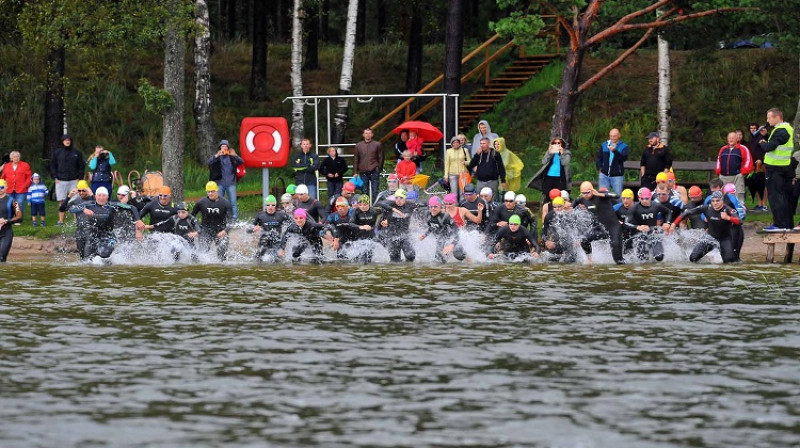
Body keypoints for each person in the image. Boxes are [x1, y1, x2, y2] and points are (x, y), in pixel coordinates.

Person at [671, 191, 740, 263]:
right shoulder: (707, 208)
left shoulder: (728, 210)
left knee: (729, 262)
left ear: (722, 200)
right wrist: (674, 224)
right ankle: (707, 260)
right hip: (710, 238)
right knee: (693, 258)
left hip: (724, 239)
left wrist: (728, 218)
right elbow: (687, 213)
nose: (715, 203)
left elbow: (739, 221)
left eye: (718, 201)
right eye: (713, 201)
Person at [760, 108, 795, 231]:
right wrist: (767, 136)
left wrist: (762, 143)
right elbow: (779, 144)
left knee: (775, 196)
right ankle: (787, 224)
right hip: (784, 167)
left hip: (775, 168)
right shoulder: (787, 129)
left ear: (776, 117)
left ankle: (779, 224)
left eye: (769, 117)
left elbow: (770, 147)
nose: (767, 120)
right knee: (784, 197)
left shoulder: (781, 131)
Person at [572, 181, 624, 264]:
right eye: (583, 193)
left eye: (588, 193)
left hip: (613, 227)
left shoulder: (601, 194)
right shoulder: (583, 199)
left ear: (592, 190)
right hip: (600, 229)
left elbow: (616, 195)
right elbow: (575, 201)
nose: (585, 195)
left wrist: (600, 195)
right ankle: (590, 260)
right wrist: (570, 207)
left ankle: (622, 268)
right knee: (584, 240)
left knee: (617, 258)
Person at [624, 187, 674, 262]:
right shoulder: (634, 208)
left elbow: (668, 212)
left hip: (653, 233)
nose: (644, 201)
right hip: (640, 235)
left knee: (659, 257)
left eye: (647, 198)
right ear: (639, 198)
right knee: (642, 259)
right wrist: (637, 227)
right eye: (642, 199)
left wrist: (667, 223)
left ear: (650, 197)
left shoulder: (656, 205)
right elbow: (626, 223)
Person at [68, 187, 117, 261]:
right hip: (93, 236)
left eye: (103, 196)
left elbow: (105, 217)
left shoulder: (111, 207)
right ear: (95, 196)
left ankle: (111, 261)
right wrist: (83, 209)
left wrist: (92, 215)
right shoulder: (89, 205)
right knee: (86, 260)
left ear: (107, 197)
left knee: (104, 255)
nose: (101, 198)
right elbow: (72, 208)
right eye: (99, 195)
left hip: (108, 237)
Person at [49, 134, 86, 226]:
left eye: (69, 139)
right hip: (60, 180)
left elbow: (81, 166)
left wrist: (79, 178)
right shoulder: (57, 152)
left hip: (74, 180)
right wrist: (55, 177)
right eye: (65, 140)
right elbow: (52, 165)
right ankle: (61, 221)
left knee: (75, 200)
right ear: (62, 141)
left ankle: (76, 221)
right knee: (61, 201)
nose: (67, 141)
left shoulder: (77, 152)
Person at [192, 181, 233, 261]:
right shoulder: (201, 202)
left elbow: (232, 220)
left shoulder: (225, 203)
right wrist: (197, 229)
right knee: (202, 255)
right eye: (208, 192)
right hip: (206, 230)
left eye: (212, 191)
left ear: (217, 191)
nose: (210, 193)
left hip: (220, 231)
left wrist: (225, 230)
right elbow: (192, 216)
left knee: (222, 257)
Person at [376, 189, 420, 262]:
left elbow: (424, 205)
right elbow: (379, 203)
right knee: (394, 260)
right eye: (396, 198)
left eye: (401, 198)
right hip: (392, 236)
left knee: (411, 256)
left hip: (404, 236)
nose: (398, 200)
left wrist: (417, 210)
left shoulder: (410, 205)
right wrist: (393, 209)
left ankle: (408, 271)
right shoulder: (391, 204)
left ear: (405, 198)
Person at [419, 196, 466, 263]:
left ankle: (468, 258)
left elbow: (456, 232)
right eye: (431, 206)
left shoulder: (446, 217)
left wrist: (452, 244)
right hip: (441, 240)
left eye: (435, 206)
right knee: (438, 260)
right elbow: (431, 227)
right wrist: (425, 234)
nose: (433, 209)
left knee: (459, 256)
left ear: (440, 207)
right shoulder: (428, 215)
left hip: (452, 239)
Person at [207, 139, 243, 221]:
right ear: (220, 148)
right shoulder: (217, 157)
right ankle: (220, 218)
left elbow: (241, 161)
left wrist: (235, 155)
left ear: (228, 147)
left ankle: (234, 219)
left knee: (233, 203)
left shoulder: (231, 157)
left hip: (231, 183)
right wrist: (216, 156)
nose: (224, 148)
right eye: (222, 146)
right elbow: (208, 163)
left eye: (225, 146)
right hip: (220, 183)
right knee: (218, 202)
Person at [716, 131, 753, 205]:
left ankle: (740, 208)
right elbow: (719, 161)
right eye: (729, 138)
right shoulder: (723, 149)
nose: (731, 139)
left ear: (737, 139)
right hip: (723, 176)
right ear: (727, 139)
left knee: (739, 194)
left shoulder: (743, 148)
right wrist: (718, 171)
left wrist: (742, 172)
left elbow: (748, 161)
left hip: (737, 176)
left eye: (733, 138)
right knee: (722, 194)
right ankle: (723, 208)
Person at [249, 195, 289, 261]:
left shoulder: (281, 215)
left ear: (275, 205)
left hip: (276, 243)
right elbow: (248, 230)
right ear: (265, 205)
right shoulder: (260, 215)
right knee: (258, 261)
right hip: (263, 242)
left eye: (273, 205)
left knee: (277, 261)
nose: (270, 207)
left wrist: (282, 248)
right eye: (268, 205)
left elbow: (292, 225)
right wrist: (253, 229)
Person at [353, 127, 384, 202]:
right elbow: (356, 159)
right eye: (366, 133)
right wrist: (355, 171)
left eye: (369, 133)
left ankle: (375, 207)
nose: (368, 135)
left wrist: (379, 169)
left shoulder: (377, 144)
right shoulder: (358, 145)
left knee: (375, 190)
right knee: (364, 191)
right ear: (363, 135)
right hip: (363, 170)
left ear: (372, 134)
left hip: (374, 169)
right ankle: (365, 207)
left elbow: (381, 157)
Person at [1, 151, 32, 223]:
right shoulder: (7, 166)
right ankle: (8, 218)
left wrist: (26, 185)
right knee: (8, 203)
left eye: (18, 156)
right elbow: (3, 177)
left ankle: (18, 219)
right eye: (14, 157)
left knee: (19, 203)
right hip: (8, 189)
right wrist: (2, 186)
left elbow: (29, 177)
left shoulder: (25, 165)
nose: (16, 158)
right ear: (11, 158)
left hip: (21, 188)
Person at [348, 194, 382, 262]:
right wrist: (362, 227)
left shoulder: (375, 210)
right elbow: (350, 224)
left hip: (371, 236)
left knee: (367, 259)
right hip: (359, 236)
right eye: (360, 205)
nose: (362, 207)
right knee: (357, 258)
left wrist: (385, 221)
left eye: (364, 204)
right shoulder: (356, 211)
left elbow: (385, 212)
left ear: (369, 204)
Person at [596, 128, 628, 194]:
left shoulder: (624, 146)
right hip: (604, 175)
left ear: (619, 135)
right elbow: (599, 158)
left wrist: (615, 151)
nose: (612, 138)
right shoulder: (604, 145)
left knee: (617, 196)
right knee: (602, 195)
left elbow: (623, 158)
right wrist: (600, 168)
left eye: (614, 136)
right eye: (611, 136)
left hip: (617, 175)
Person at [745, 123, 769, 211]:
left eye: (754, 128)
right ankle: (759, 204)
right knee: (757, 184)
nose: (752, 130)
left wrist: (761, 160)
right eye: (751, 128)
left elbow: (766, 149)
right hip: (753, 166)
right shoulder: (751, 139)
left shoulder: (761, 137)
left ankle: (764, 204)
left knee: (764, 184)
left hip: (762, 164)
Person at [0, 179, 22, 261]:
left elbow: (19, 217)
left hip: (6, 232)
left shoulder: (13, 201)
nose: (0, 189)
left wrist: (7, 221)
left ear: (6, 188)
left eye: (1, 187)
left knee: (2, 257)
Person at [444, 136, 471, 202]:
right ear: (451, 144)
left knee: (462, 193)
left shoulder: (465, 150)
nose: (455, 144)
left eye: (457, 142)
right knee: (454, 193)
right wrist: (446, 175)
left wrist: (465, 162)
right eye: (454, 143)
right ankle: (455, 208)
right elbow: (447, 164)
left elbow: (470, 162)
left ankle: (463, 206)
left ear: (459, 143)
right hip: (452, 175)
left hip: (463, 174)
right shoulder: (449, 151)